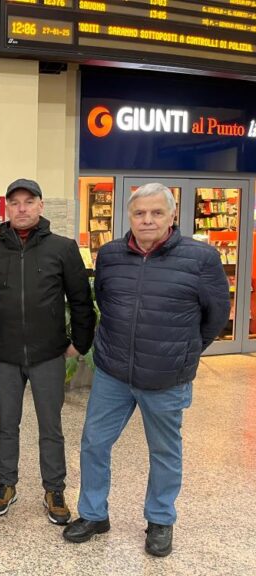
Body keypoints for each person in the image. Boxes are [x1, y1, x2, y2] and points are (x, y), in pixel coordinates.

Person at [63, 182, 230, 556]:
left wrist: (185, 351)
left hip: (166, 377)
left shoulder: (201, 259)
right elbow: (105, 299)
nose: (147, 220)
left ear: (172, 216)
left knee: (164, 452)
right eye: (140, 213)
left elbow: (216, 315)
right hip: (113, 372)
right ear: (129, 216)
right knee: (94, 442)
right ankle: (93, 513)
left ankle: (159, 520)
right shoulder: (110, 255)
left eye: (157, 212)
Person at [0, 178, 96, 525]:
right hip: (6, 356)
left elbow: (81, 301)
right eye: (15, 203)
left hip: (48, 356)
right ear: (7, 208)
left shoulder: (62, 248)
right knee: (7, 424)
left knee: (51, 426)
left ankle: (54, 488)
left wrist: (80, 342)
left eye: (29, 201)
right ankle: (6, 484)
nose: (22, 208)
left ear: (41, 206)